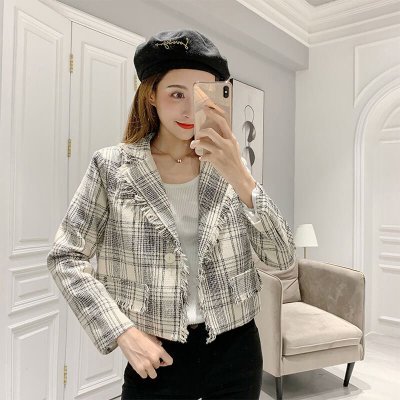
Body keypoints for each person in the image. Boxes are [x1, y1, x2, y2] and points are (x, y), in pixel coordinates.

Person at [47, 29, 296, 400]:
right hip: (156, 354)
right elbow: (66, 256)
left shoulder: (229, 168)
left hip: (237, 351)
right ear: (151, 95)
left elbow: (282, 257)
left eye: (201, 96)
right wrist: (122, 331)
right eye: (177, 93)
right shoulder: (112, 167)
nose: (189, 110)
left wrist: (240, 174)